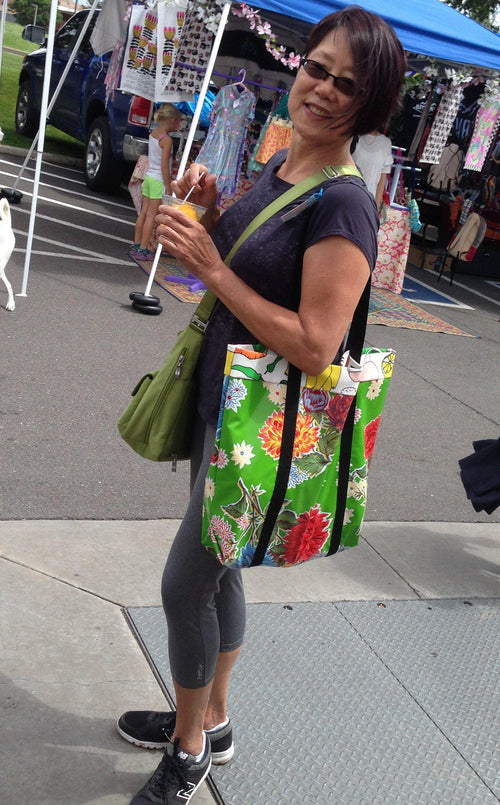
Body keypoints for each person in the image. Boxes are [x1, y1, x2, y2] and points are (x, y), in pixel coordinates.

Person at [119, 8, 406, 804]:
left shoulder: (346, 204)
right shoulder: (282, 164)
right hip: (229, 407)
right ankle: (213, 718)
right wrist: (214, 214)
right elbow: (254, 268)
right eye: (317, 67)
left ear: (370, 105)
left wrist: (211, 265)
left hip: (270, 424)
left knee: (185, 585)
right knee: (221, 568)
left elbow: (318, 344)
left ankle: (188, 750)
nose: (322, 88)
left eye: (348, 83)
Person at [130, 103, 182, 260]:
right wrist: (168, 185)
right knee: (151, 216)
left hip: (149, 177)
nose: (179, 125)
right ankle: (144, 249)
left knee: (144, 213)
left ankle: (137, 244)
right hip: (159, 179)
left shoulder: (154, 133)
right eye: (178, 121)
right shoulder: (167, 140)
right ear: (172, 120)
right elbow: (164, 165)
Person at [353, 129, 394, 211]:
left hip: (369, 198)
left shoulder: (385, 143)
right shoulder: (353, 136)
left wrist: (376, 207)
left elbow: (382, 179)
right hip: (348, 192)